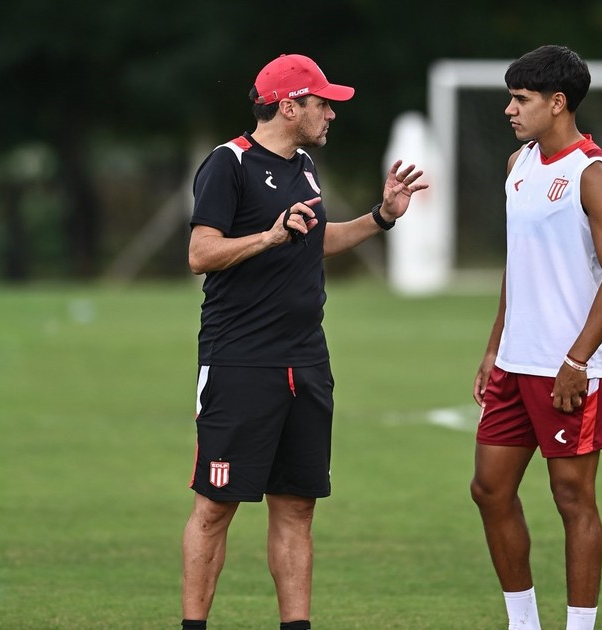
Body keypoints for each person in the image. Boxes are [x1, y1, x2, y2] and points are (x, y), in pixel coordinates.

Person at [181, 53, 427, 630]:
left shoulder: (306, 167)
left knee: (297, 509)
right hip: (240, 362)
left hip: (306, 363)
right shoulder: (229, 163)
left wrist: (381, 216)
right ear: (289, 107)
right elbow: (200, 253)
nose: (331, 114)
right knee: (216, 507)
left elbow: (315, 241)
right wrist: (267, 238)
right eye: (322, 103)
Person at [471, 45, 602, 630]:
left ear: (558, 102)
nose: (510, 110)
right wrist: (495, 346)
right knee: (489, 490)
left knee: (572, 498)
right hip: (515, 363)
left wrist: (577, 360)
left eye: (521, 99)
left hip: (568, 369)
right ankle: (523, 624)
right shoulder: (518, 165)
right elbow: (518, 264)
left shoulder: (594, 175)